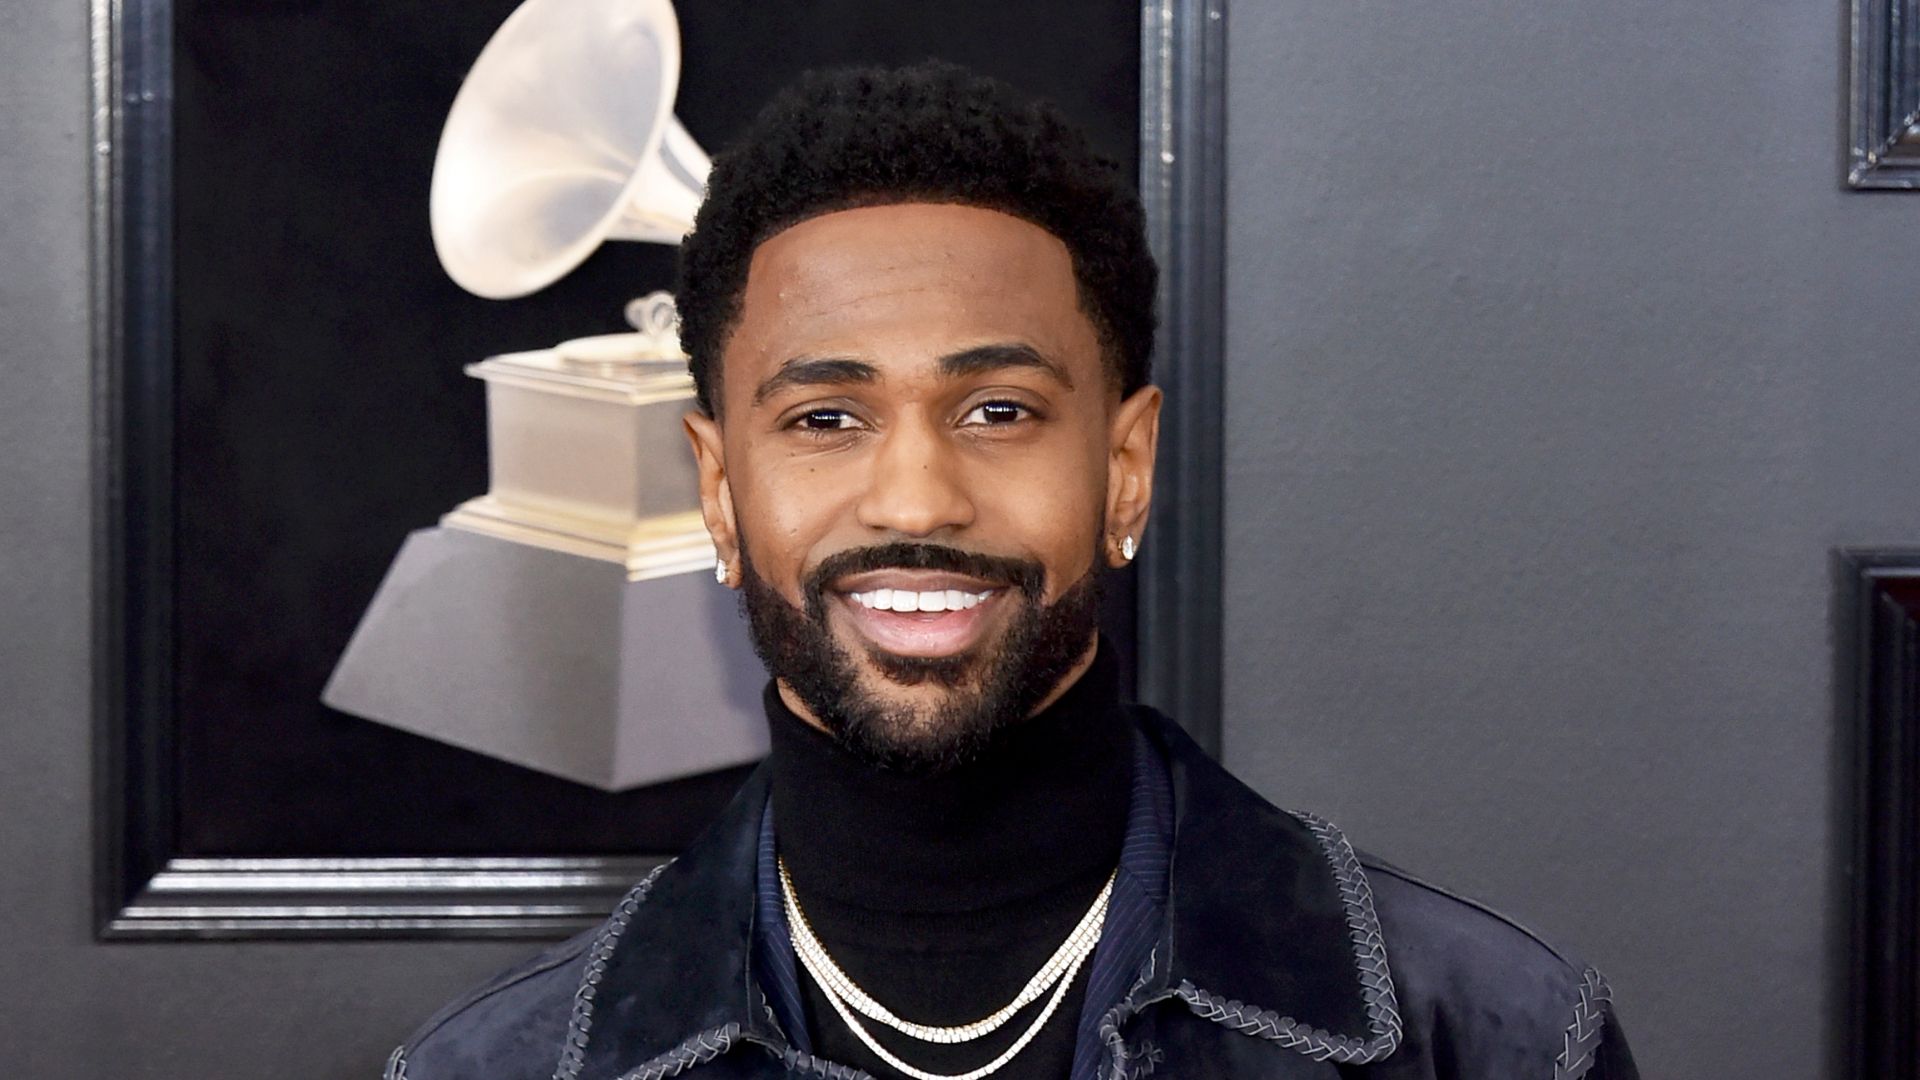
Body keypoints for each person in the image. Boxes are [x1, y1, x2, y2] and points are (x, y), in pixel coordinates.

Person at [386, 61, 1639, 1080]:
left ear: (1127, 469)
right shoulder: (494, 1069)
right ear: (719, 491)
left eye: (997, 411)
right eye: (826, 418)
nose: (919, 496)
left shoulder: (1496, 1040)